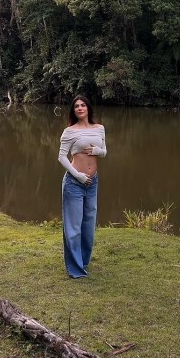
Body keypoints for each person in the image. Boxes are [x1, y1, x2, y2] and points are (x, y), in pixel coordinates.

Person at [58, 95, 107, 278]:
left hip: (92, 182)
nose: (80, 108)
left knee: (88, 226)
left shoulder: (99, 128)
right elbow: (62, 157)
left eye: (83, 105)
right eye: (76, 106)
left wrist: (97, 151)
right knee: (73, 227)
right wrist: (77, 175)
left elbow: (104, 152)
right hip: (74, 183)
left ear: (88, 108)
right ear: (74, 110)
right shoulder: (69, 131)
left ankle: (83, 261)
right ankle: (76, 270)